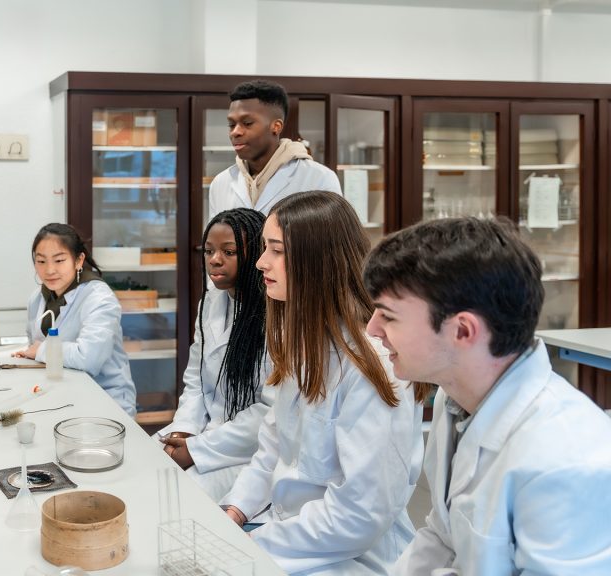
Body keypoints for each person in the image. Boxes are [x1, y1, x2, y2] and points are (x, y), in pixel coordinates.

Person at [363, 217, 611, 575]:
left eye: (388, 316)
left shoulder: (568, 461)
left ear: (463, 330)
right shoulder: (456, 400)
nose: (372, 329)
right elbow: (443, 533)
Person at [220, 191, 428, 575]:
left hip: (349, 557)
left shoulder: (374, 366)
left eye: (277, 250)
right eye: (265, 248)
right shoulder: (305, 342)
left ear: (318, 261)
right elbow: (273, 452)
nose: (261, 262)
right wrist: (234, 511)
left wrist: (251, 546)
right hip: (288, 532)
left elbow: (359, 517)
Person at [155, 208, 274, 501]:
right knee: (146, 465)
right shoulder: (210, 301)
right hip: (205, 431)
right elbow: (195, 380)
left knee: (179, 495)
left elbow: (269, 413)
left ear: (257, 254)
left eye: (229, 252)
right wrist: (184, 430)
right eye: (209, 251)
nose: (214, 260)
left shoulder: (275, 318)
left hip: (247, 451)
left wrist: (198, 450)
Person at [15, 223, 137, 417]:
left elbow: (89, 358)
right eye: (41, 261)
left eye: (59, 260)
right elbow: (34, 348)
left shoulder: (99, 298)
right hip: (61, 399)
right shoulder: (37, 298)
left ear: (79, 260)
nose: (49, 270)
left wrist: (42, 350)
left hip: (105, 402)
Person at [208, 80, 341, 219]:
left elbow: (332, 233)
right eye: (231, 124)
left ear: (276, 126)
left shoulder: (318, 178)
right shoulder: (221, 183)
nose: (235, 132)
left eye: (247, 123)